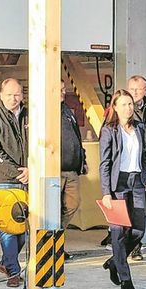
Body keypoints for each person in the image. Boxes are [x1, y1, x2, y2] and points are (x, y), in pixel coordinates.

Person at [99, 89, 146, 289]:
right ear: (115, 108)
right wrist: (106, 192)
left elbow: (145, 153)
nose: (128, 108)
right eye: (124, 104)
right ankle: (125, 278)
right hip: (117, 183)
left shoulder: (140, 127)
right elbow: (104, 162)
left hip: (136, 180)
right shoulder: (109, 130)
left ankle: (114, 262)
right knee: (118, 231)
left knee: (138, 229)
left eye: (130, 104)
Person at [0, 78, 29, 288]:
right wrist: (16, 171)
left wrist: (32, 170)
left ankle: (5, 262)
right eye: (10, 94)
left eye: (18, 94)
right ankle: (13, 271)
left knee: (23, 231)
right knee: (9, 229)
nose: (14, 98)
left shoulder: (29, 115)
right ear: (1, 96)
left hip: (28, 179)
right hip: (4, 181)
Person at [127, 75, 146, 261]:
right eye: (132, 89)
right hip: (128, 168)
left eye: (139, 89)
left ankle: (134, 240)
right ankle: (133, 245)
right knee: (132, 207)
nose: (135, 92)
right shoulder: (121, 109)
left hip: (145, 166)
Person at [59, 81, 87, 238]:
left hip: (72, 170)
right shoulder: (43, 111)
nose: (63, 92)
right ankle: (54, 245)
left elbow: (76, 137)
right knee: (53, 209)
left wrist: (82, 158)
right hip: (55, 170)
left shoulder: (67, 111)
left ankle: (57, 238)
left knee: (72, 204)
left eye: (64, 89)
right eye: (59, 89)